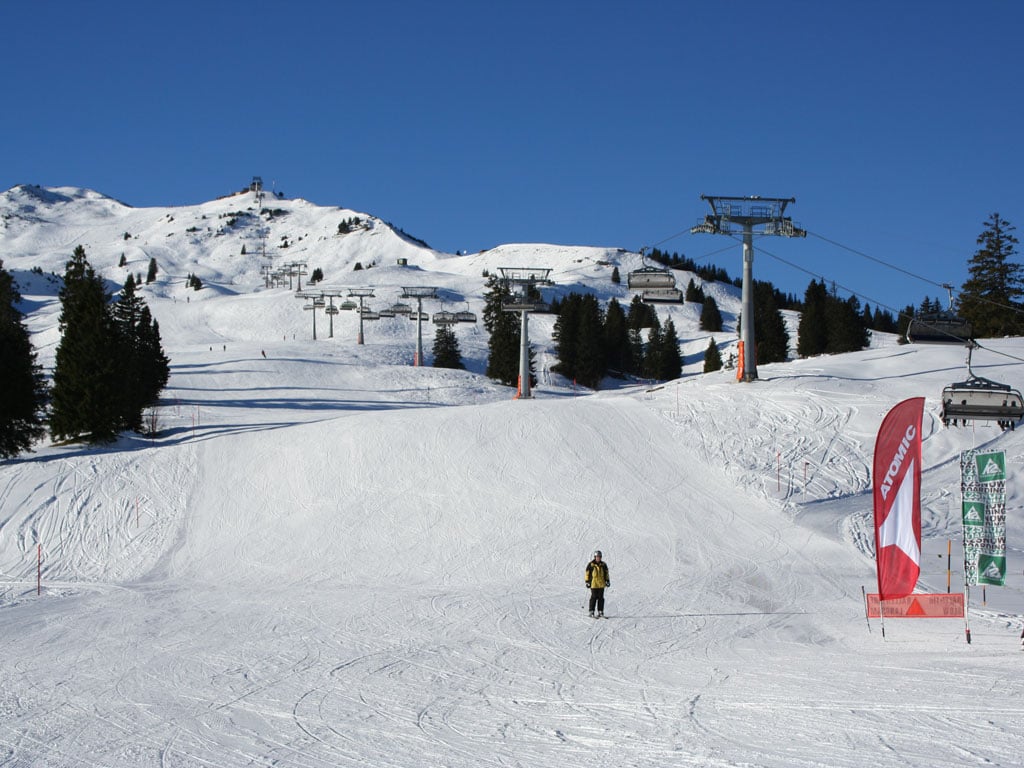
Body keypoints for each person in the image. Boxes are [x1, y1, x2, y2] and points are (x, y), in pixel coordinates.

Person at [585, 550, 609, 617]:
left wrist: (607, 581)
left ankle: (600, 611)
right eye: (597, 557)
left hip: (601, 584)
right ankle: (591, 611)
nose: (598, 558)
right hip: (594, 584)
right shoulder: (591, 565)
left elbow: (606, 573)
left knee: (601, 598)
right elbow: (587, 574)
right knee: (594, 597)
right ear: (595, 557)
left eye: (599, 557)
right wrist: (587, 582)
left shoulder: (603, 565)